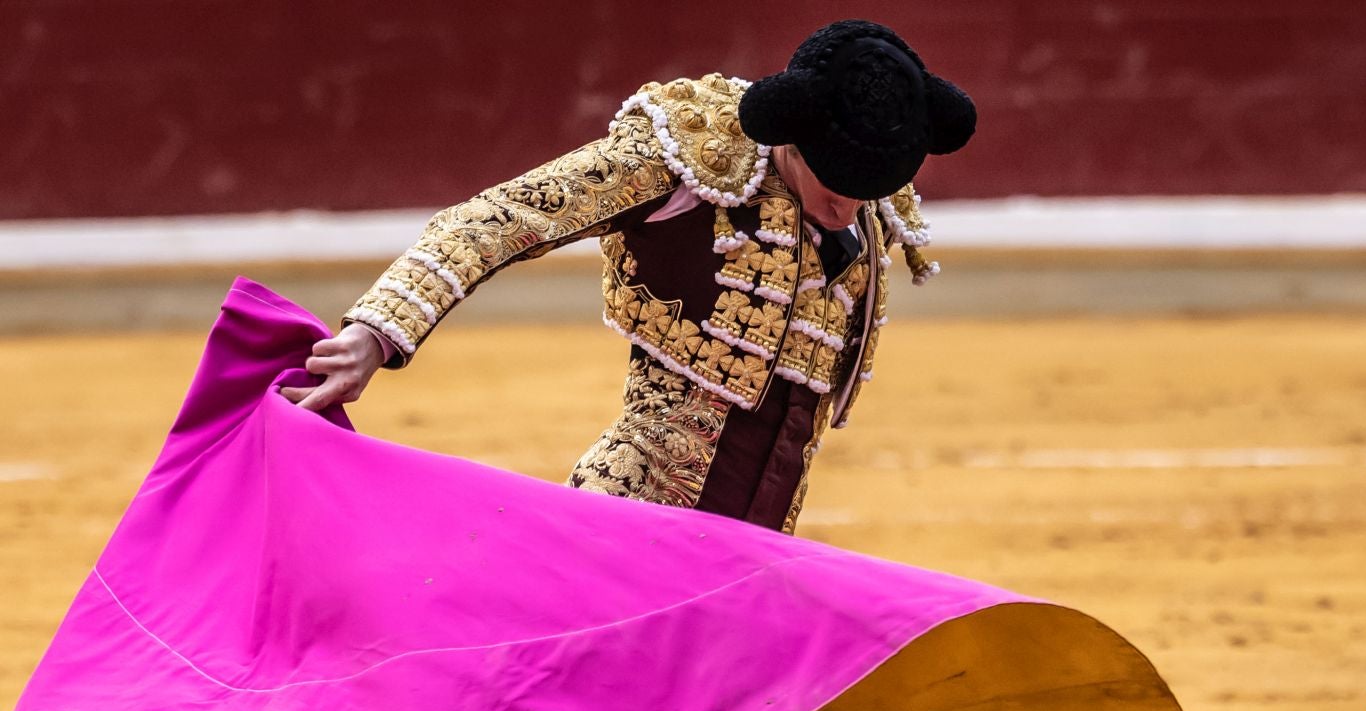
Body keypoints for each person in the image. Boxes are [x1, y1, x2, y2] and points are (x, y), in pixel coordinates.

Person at [287, 19, 975, 533]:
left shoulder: (869, 194)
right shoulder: (689, 159)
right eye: (836, 185)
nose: (849, 208)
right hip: (628, 529)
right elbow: (503, 217)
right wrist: (376, 333)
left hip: (759, 554)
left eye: (868, 191)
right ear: (789, 133)